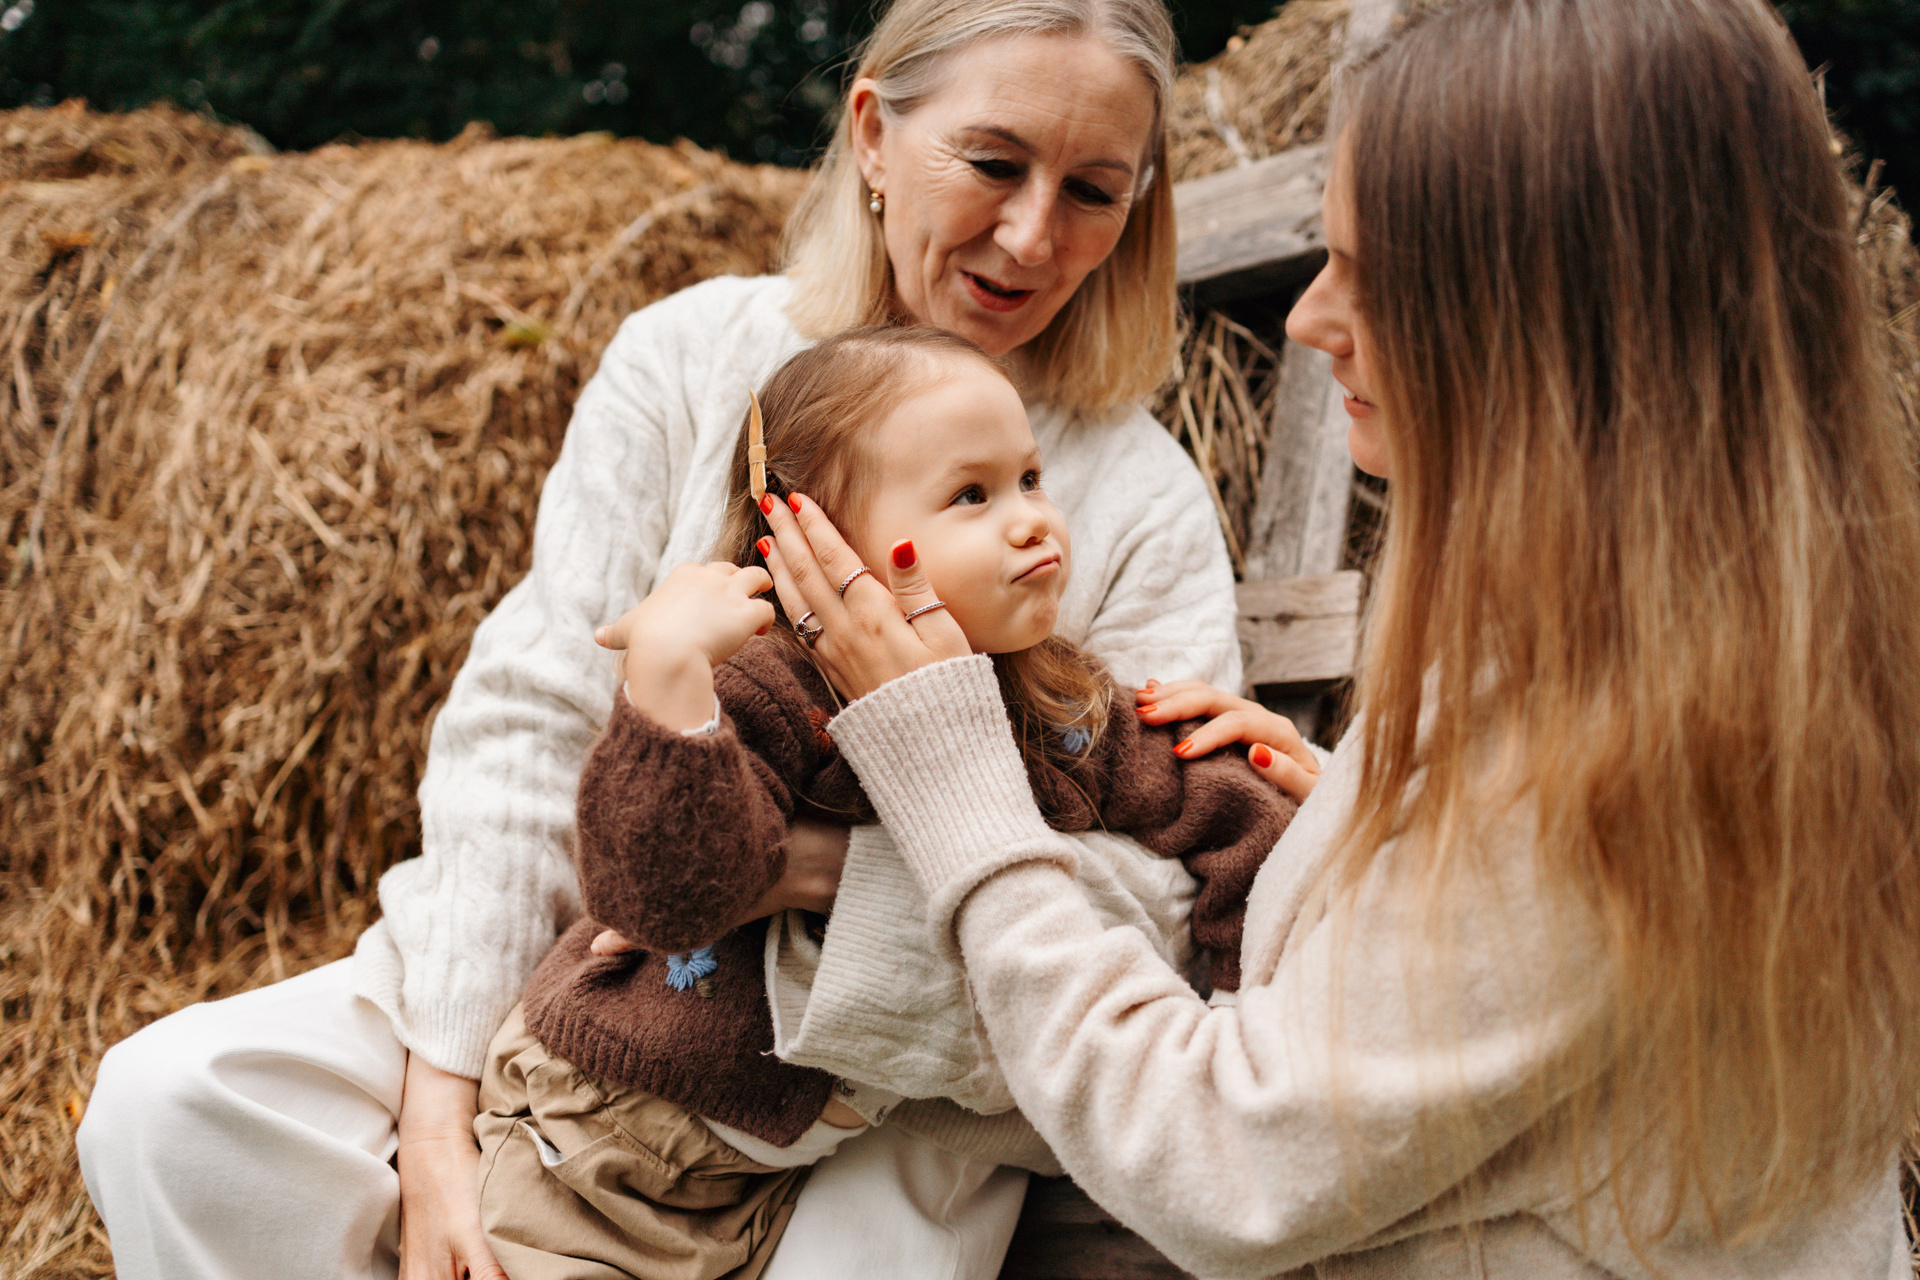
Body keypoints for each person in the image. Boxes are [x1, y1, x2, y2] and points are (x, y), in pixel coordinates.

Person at [76, 2, 1297, 1277]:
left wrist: (813, 870)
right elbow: (538, 718)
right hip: (607, 992)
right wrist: (441, 1095)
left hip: (902, 1074)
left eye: (1094, 191)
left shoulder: (1137, 495)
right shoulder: (692, 356)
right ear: (874, 136)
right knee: (175, 1108)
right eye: (994, 162)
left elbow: (1152, 898)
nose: (1035, 234)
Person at [746, 0, 1920, 1274]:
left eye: (1371, 274)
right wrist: (1362, 832)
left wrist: (954, 773)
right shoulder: (1687, 649)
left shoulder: (1615, 764)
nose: (1310, 317)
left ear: (1555, 316)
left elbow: (1223, 1160)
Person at [473, 325, 1300, 1279]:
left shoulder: (1056, 703)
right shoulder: (773, 690)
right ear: (817, 543)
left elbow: (1238, 818)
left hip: (780, 1171)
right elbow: (662, 899)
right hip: (604, 1132)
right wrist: (668, 680)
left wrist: (1238, 1013)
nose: (1032, 520)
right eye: (972, 495)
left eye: (1031, 479)